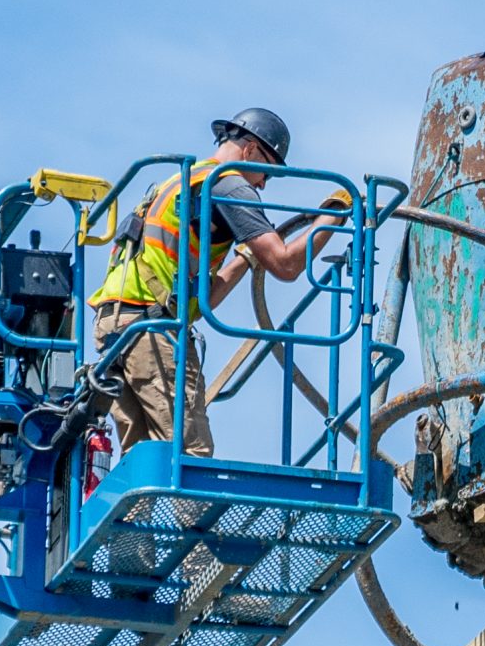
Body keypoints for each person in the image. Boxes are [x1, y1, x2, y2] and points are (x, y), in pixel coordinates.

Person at [87, 107, 341, 456]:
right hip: (151, 331)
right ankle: (185, 513)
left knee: (143, 461)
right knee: (190, 458)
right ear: (250, 149)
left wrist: (244, 258)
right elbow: (285, 266)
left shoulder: (181, 180)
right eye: (267, 170)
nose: (264, 183)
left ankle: (136, 515)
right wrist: (330, 219)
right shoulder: (228, 185)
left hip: (115, 326)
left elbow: (202, 300)